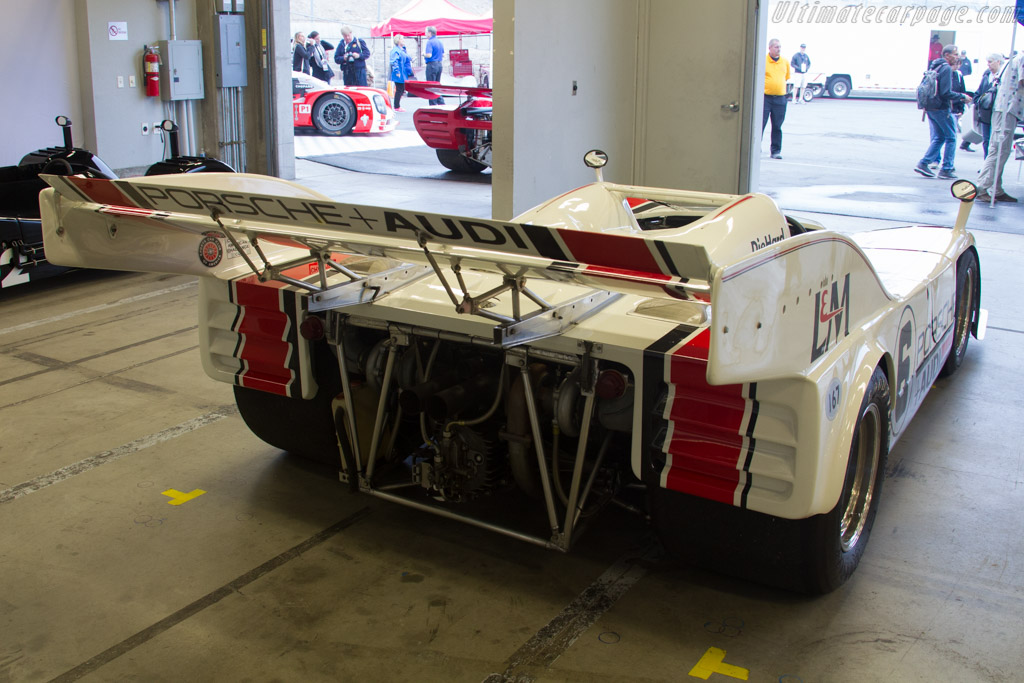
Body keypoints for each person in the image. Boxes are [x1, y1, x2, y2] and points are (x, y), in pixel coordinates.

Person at [914, 45, 969, 179]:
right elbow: (945, 92)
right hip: (941, 108)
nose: (957, 57)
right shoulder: (946, 69)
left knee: (939, 137)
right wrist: (962, 97)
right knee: (951, 137)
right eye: (955, 54)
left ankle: (924, 163)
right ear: (947, 55)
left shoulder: (935, 66)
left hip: (931, 107)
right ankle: (946, 168)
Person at [976, 51, 1024, 203]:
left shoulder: (1014, 58)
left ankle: (996, 188)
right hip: (1007, 109)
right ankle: (982, 187)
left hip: (1004, 108)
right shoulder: (1022, 58)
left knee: (998, 149)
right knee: (999, 149)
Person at [970, 53, 1004, 158]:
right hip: (985, 113)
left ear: (998, 62)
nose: (988, 65)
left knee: (995, 141)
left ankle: (992, 165)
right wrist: (979, 102)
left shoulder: (1003, 76)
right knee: (986, 140)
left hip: (997, 113)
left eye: (990, 62)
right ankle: (986, 164)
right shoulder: (986, 76)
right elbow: (979, 92)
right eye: (987, 62)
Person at [763, 38, 790, 159]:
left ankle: (775, 151)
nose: (778, 49)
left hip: (779, 99)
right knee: (760, 124)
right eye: (776, 47)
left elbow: (786, 77)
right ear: (770, 48)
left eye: (779, 47)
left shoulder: (784, 62)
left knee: (777, 126)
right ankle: (755, 148)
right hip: (765, 98)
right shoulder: (763, 60)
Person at [389, 34, 413, 112]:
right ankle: (396, 106)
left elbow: (407, 57)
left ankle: (397, 105)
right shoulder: (395, 50)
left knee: (401, 88)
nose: (404, 40)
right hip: (399, 72)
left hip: (402, 72)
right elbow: (394, 61)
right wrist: (397, 71)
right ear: (398, 41)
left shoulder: (402, 50)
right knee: (399, 89)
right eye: (402, 39)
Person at [424, 26, 445, 105]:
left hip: (432, 65)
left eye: (426, 32)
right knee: (437, 86)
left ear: (429, 33)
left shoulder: (429, 42)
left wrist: (424, 54)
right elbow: (443, 55)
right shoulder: (439, 42)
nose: (425, 34)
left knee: (431, 86)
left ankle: (433, 105)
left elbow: (429, 55)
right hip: (439, 64)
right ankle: (441, 102)